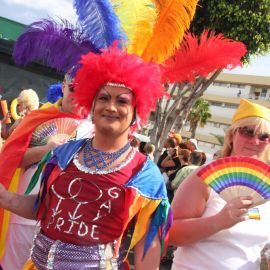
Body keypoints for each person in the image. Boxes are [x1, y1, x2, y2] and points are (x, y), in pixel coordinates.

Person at [0, 46, 171, 270]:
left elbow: (146, 248)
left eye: (122, 101)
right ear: (92, 104)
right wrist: (6, 198)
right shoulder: (63, 154)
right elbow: (45, 208)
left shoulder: (144, 173)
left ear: (136, 111)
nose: (110, 107)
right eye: (103, 98)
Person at [170, 99, 270, 270]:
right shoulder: (204, 176)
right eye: (247, 131)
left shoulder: (266, 186)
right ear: (232, 135)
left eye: (264, 136)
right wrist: (219, 221)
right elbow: (169, 233)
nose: (255, 141)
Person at [0, 78, 81, 270]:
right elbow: (12, 160)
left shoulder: (95, 128)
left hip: (66, 221)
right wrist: (46, 149)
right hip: (22, 214)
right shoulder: (38, 117)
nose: (79, 95)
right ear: (64, 86)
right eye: (74, 88)